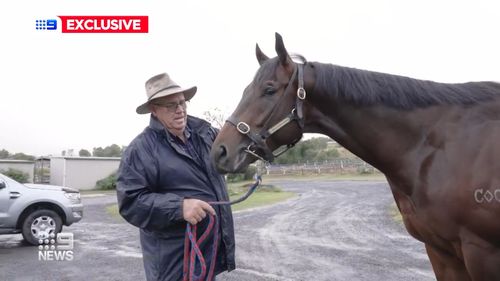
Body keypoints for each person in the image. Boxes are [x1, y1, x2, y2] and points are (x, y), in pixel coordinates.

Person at [116, 72, 235, 281]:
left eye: (182, 102)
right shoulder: (141, 149)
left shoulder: (206, 135)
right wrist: (179, 207)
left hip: (207, 252)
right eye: (171, 105)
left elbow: (232, 151)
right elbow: (131, 202)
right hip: (173, 263)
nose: (180, 109)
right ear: (154, 110)